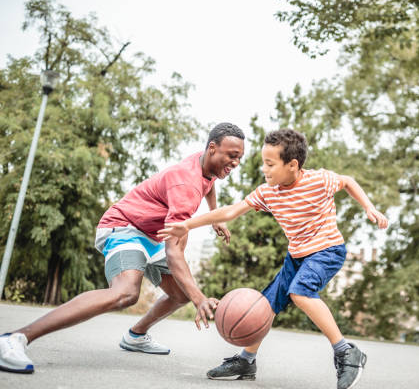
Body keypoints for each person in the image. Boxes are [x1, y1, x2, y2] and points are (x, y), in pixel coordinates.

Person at [0, 122, 245, 374]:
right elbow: (174, 254)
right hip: (124, 226)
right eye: (232, 156)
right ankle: (16, 338)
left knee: (180, 293)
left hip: (152, 233)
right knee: (126, 293)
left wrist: (214, 215)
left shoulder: (204, 164)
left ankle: (136, 336)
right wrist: (200, 299)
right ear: (213, 148)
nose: (235, 163)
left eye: (240, 157)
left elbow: (209, 183)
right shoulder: (186, 184)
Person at [158, 128, 388, 389]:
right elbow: (231, 211)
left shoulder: (319, 180)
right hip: (297, 255)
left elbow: (347, 181)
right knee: (265, 305)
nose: (264, 170)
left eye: (270, 164)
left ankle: (346, 352)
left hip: (327, 251)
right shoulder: (268, 192)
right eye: (262, 163)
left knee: (300, 293)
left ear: (292, 165)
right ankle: (247, 359)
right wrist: (188, 225)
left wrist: (370, 207)